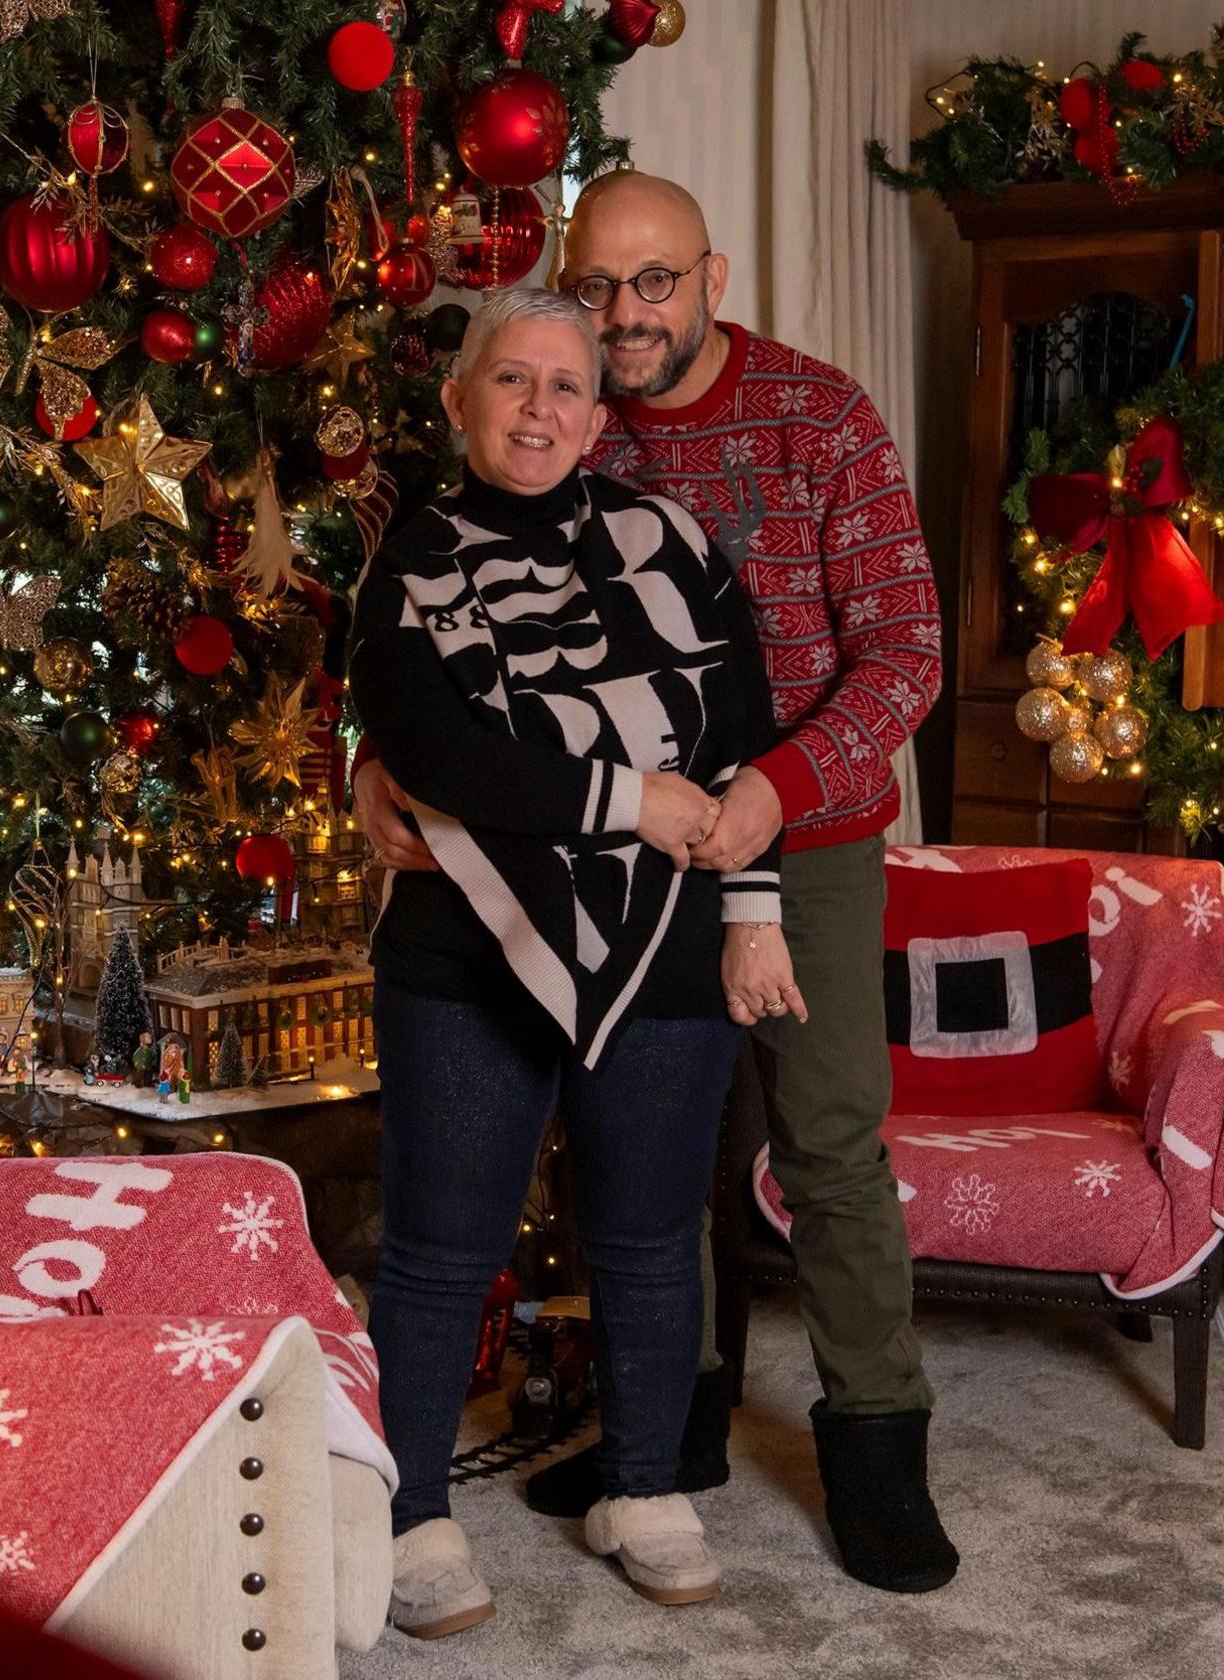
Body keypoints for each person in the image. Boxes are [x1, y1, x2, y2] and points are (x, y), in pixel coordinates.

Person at [355, 171, 956, 1595]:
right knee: (646, 1187)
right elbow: (434, 669)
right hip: (600, 854)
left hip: (795, 833)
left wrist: (762, 807)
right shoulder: (555, 425)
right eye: (599, 288)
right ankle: (662, 1448)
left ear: (712, 276)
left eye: (656, 285)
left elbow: (909, 657)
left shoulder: (819, 415)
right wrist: (378, 773)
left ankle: (877, 1449)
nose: (625, 318)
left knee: (823, 1146)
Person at [350, 286, 797, 1638]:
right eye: (510, 381)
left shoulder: (668, 535)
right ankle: (408, 1509)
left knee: (652, 1238)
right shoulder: (409, 554)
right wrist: (628, 801)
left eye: (565, 387)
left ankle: (645, 1488)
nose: (537, 408)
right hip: (463, 940)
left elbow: (743, 727)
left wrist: (755, 903)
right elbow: (438, 757)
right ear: (459, 401)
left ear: (601, 416)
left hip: (669, 933)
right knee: (439, 1247)